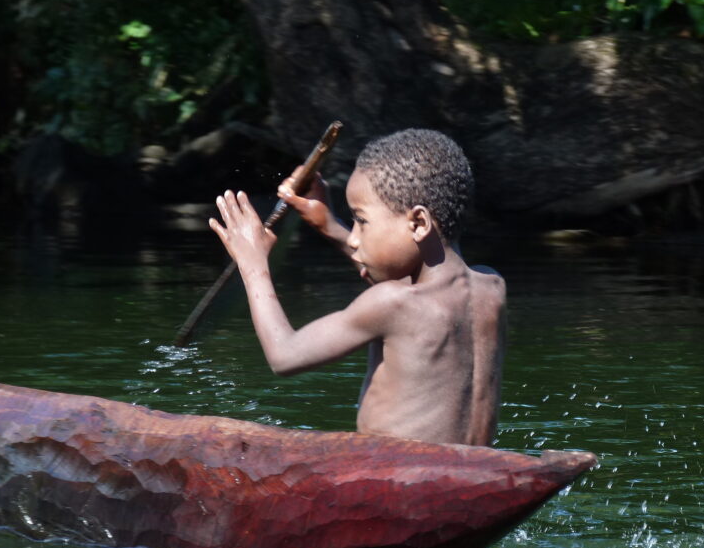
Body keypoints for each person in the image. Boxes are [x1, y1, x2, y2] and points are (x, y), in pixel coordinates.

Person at [209, 128, 505, 446]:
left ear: (418, 223)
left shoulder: (391, 303)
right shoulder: (492, 287)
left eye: (361, 221)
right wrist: (329, 226)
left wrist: (253, 266)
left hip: (397, 484)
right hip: (472, 471)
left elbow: (285, 355)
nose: (353, 236)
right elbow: (403, 281)